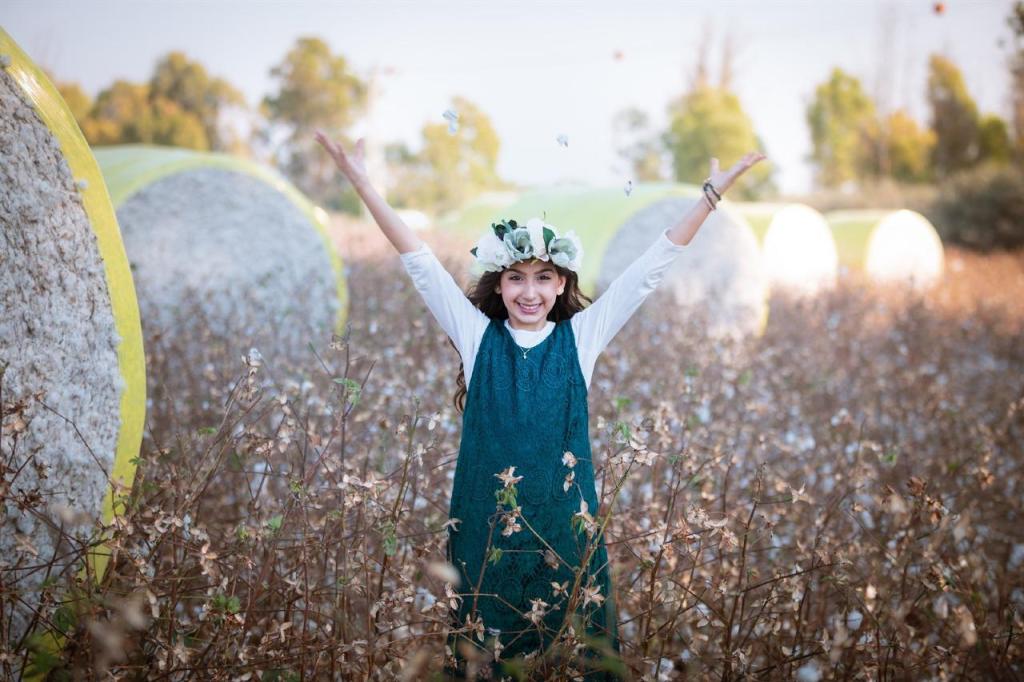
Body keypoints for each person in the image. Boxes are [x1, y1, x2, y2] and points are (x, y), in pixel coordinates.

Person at [316, 130, 765, 680]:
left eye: (543, 278)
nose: (529, 291)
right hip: (485, 526)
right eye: (516, 278)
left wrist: (709, 197)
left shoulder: (582, 338)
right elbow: (417, 258)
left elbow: (652, 266)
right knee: (487, 654)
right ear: (500, 286)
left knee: (575, 655)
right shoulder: (477, 337)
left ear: (560, 285)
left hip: (565, 528)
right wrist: (362, 180)